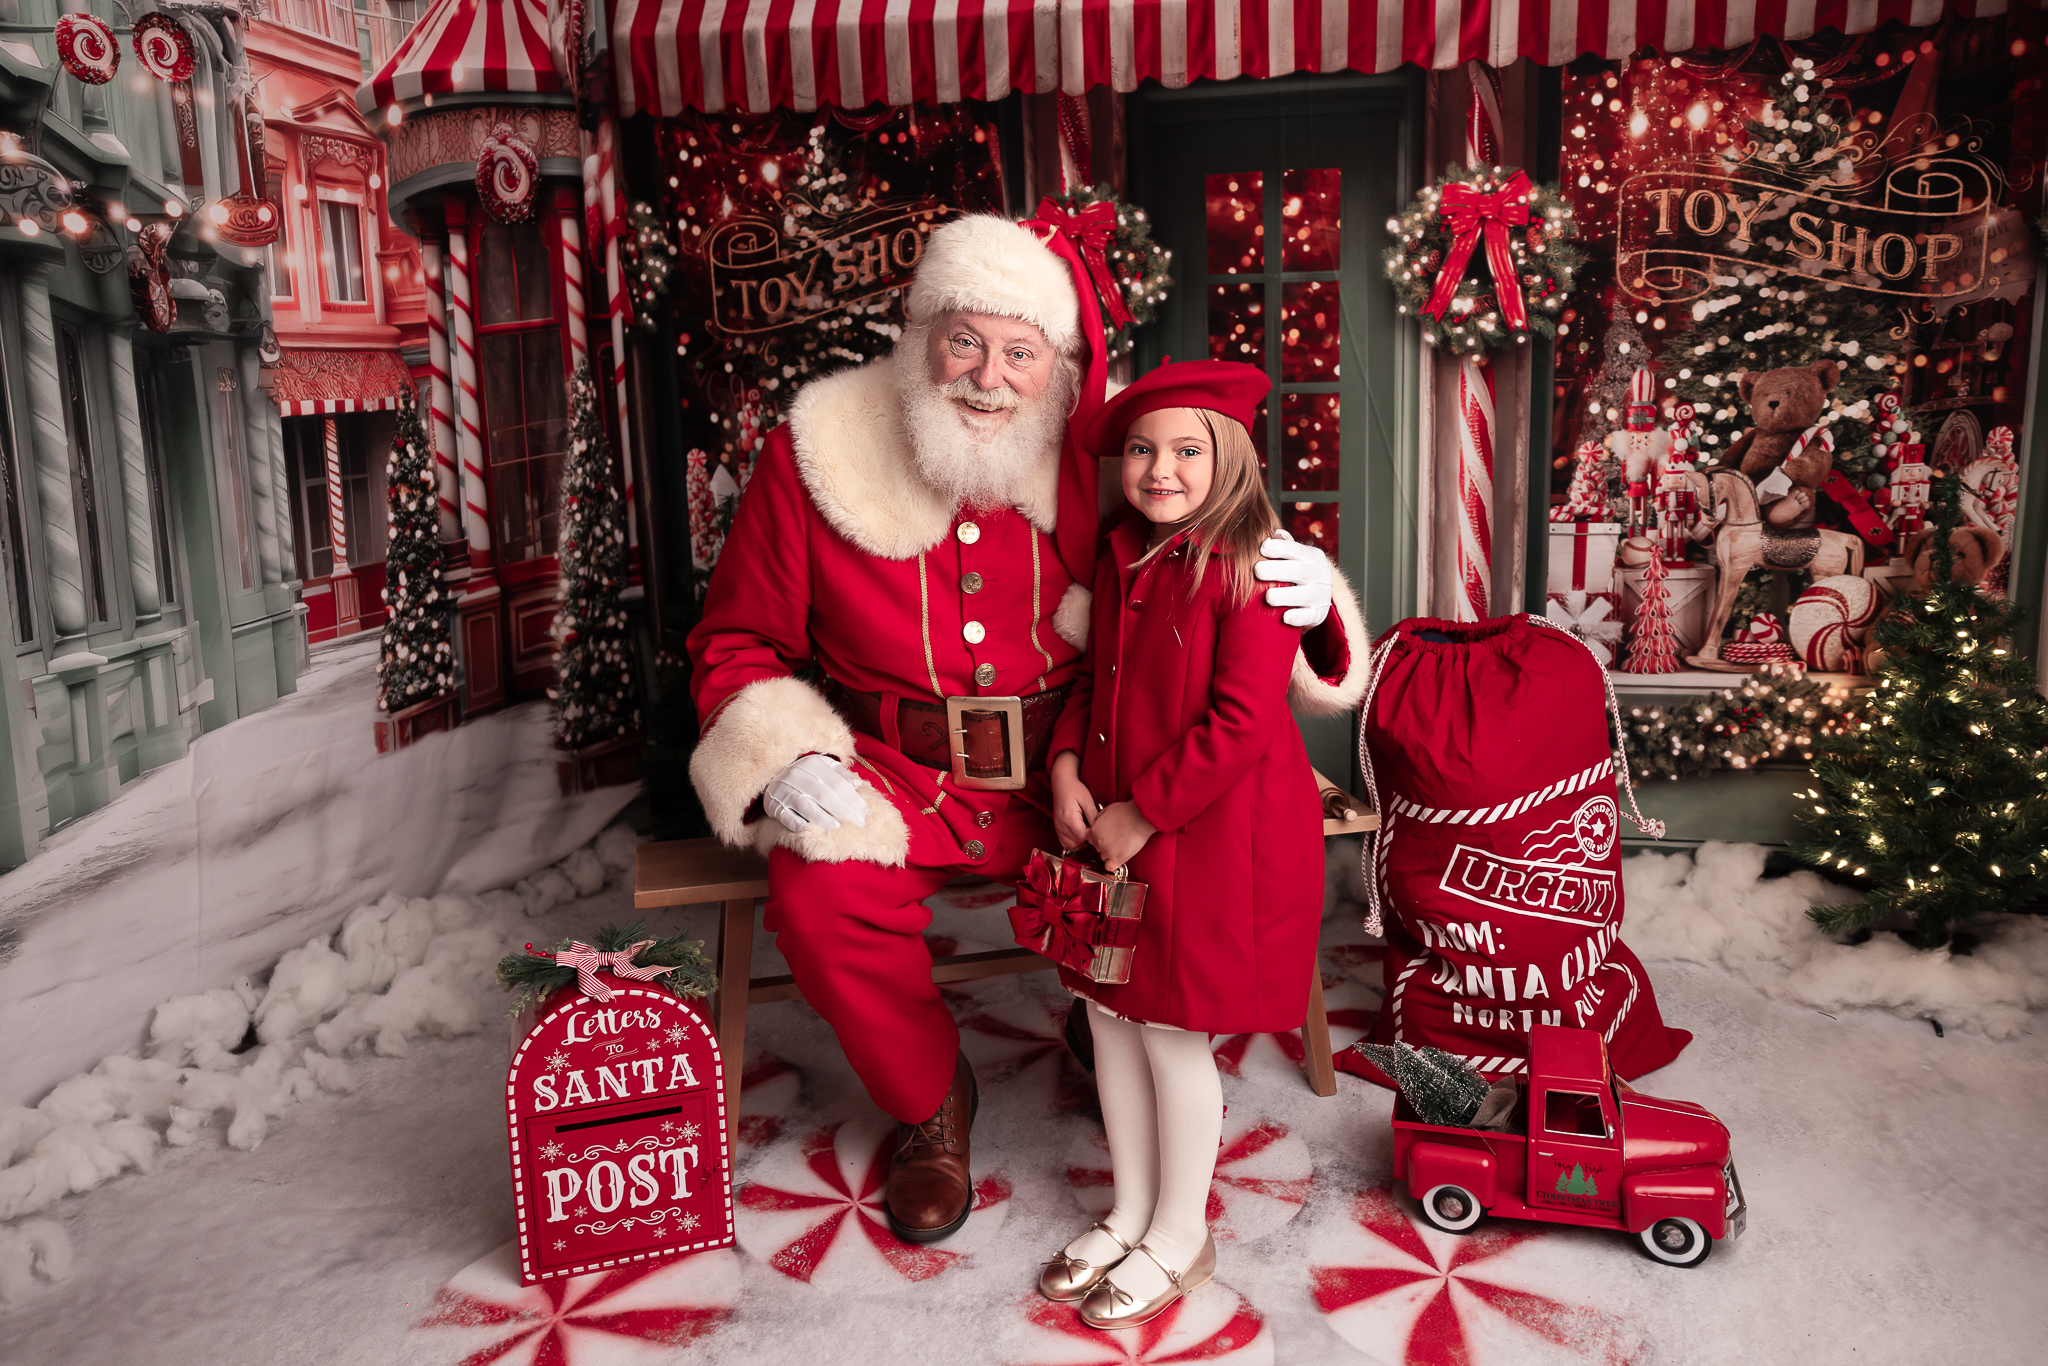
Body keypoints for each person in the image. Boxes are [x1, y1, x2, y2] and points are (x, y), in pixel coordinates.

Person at [686, 211, 1369, 1245]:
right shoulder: (814, 452)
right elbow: (735, 637)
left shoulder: (1110, 446)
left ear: (1052, 360)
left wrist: (1309, 593)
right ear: (919, 334)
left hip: (1089, 759)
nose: (989, 375)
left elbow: (1215, 562)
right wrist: (782, 754)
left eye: (1020, 350)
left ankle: (1113, 1039)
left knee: (1172, 873)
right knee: (821, 899)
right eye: (964, 339)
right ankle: (928, 1100)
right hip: (898, 770)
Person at [1038, 360, 1326, 1329]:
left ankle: (1177, 1230)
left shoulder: (1254, 565)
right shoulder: (1122, 553)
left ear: (1229, 456)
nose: (1159, 469)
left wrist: (1138, 813)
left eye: (1185, 450)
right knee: (1109, 1016)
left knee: (1169, 1030)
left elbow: (1238, 723)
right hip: (1117, 823)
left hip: (1209, 836)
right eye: (1142, 451)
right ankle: (1126, 1209)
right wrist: (1069, 765)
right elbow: (1090, 677)